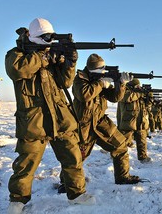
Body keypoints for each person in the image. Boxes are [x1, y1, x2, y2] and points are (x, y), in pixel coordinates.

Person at [5, 18, 94, 214]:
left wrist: (70, 62)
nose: (47, 44)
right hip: (34, 119)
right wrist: (44, 58)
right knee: (26, 163)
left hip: (60, 117)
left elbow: (65, 82)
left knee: (73, 157)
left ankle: (77, 194)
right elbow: (16, 69)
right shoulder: (17, 54)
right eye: (43, 40)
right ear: (30, 36)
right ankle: (18, 200)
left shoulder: (50, 55)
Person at [58, 53, 141, 189]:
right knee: (77, 157)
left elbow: (115, 98)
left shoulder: (101, 80)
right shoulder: (80, 79)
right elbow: (84, 95)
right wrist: (101, 83)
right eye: (100, 71)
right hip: (83, 126)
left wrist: (121, 84)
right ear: (92, 71)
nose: (103, 73)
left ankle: (122, 177)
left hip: (101, 122)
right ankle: (66, 183)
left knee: (120, 146)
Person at [117, 78, 151, 163]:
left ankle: (143, 157)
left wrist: (149, 97)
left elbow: (147, 106)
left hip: (140, 122)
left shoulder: (139, 94)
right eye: (137, 85)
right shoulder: (124, 91)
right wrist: (140, 93)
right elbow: (126, 97)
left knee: (142, 141)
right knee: (122, 141)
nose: (138, 87)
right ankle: (117, 156)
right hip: (128, 122)